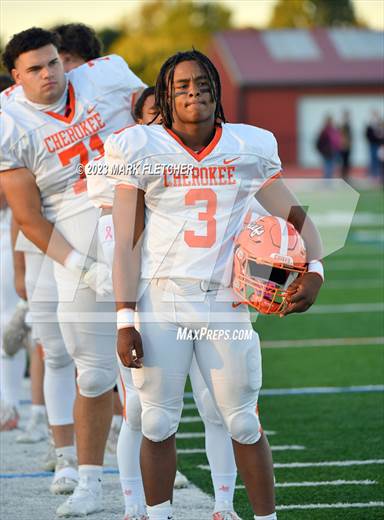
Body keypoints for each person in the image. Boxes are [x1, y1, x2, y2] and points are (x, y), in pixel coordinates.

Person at [106, 50, 324, 520]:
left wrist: (317, 269)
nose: (193, 90)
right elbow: (126, 240)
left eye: (202, 82)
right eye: (181, 84)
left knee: (243, 421)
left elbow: (295, 215)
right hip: (161, 299)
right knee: (158, 420)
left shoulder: (247, 147)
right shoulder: (140, 147)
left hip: (224, 303)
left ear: (217, 89)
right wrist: (126, 318)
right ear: (165, 93)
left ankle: (266, 518)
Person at [0, 27, 145, 517]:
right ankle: (82, 475)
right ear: (16, 77)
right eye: (35, 69)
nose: (48, 74)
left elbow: (155, 112)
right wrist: (82, 268)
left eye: (53, 64)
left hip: (140, 213)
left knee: (158, 363)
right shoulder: (8, 120)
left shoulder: (106, 75)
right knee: (83, 363)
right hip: (70, 230)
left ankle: (146, 480)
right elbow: (29, 217)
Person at [87, 86, 241, 520]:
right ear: (138, 120)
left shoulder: (211, 157)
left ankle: (224, 504)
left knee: (217, 407)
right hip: (148, 299)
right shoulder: (119, 160)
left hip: (206, 298)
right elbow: (113, 233)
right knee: (141, 412)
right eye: (153, 113)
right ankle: (135, 505)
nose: (161, 120)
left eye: (165, 112)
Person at [366, 110, 384, 179]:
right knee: (372, 160)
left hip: (379, 145)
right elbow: (367, 135)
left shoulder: (380, 125)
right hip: (372, 144)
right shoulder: (370, 125)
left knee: (379, 161)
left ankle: (379, 175)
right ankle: (373, 174)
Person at [339, 111, 352, 181]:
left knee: (346, 162)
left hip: (347, 147)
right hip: (343, 147)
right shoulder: (342, 125)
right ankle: (343, 175)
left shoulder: (348, 125)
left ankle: (345, 175)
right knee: (343, 162)